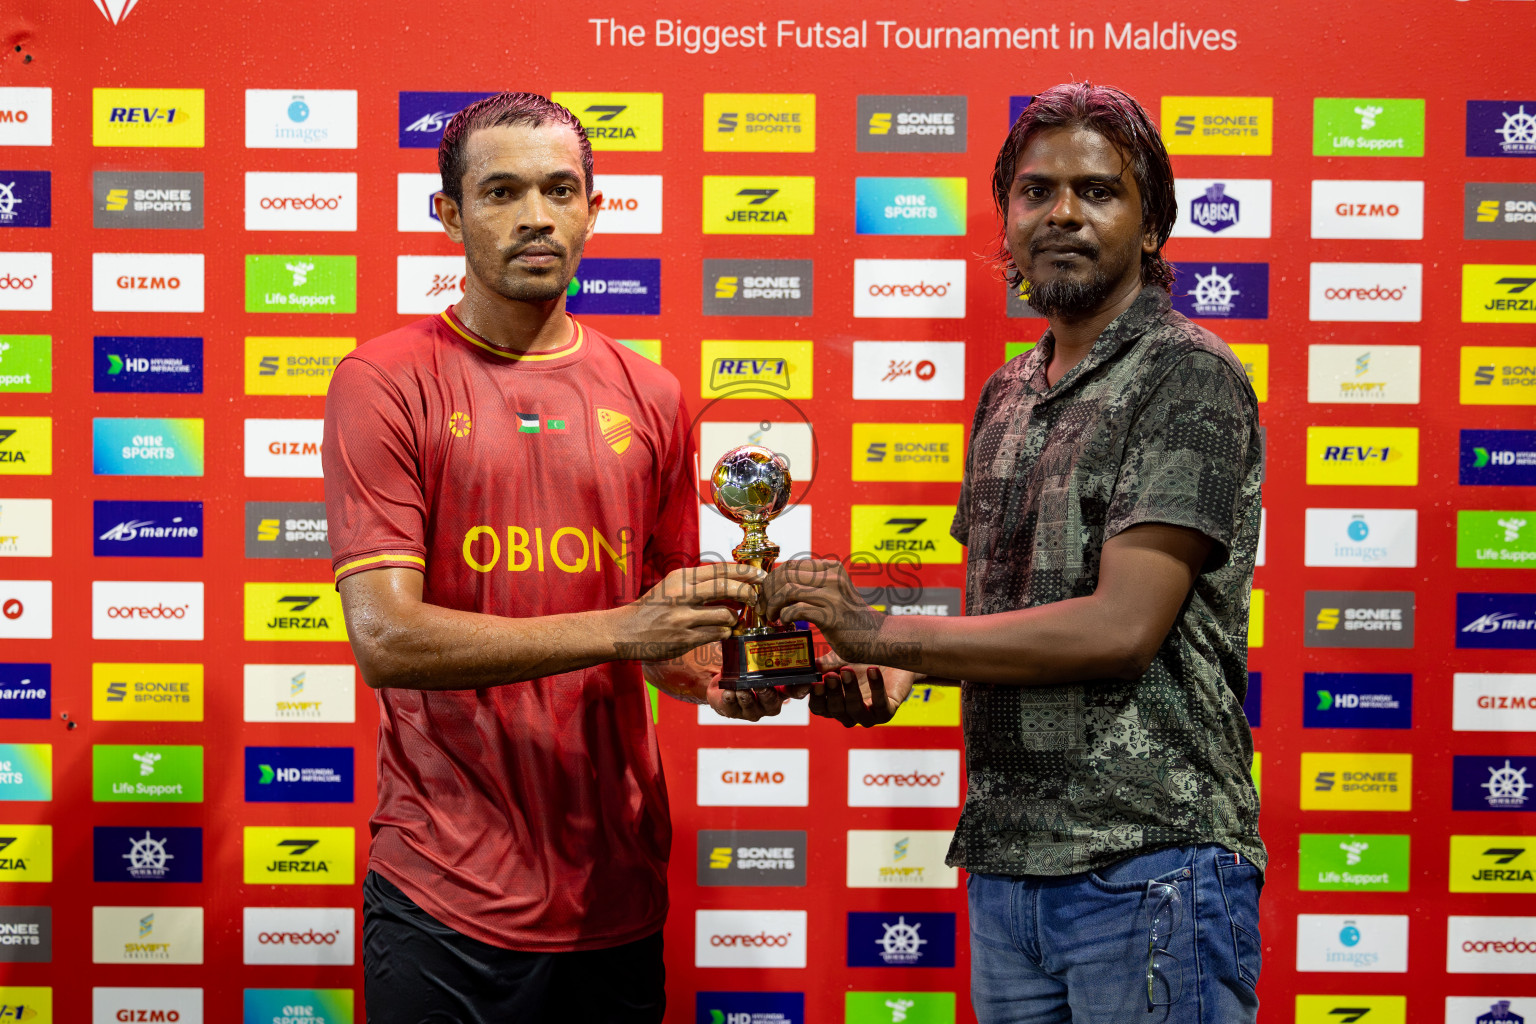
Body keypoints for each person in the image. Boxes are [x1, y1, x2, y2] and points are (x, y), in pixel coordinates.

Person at [765, 82, 1265, 1023]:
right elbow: (1004, 618)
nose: (1063, 213)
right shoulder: (1006, 391)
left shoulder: (1187, 374)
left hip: (1149, 867)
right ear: (1006, 217)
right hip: (1007, 870)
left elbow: (1121, 629)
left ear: (1152, 224)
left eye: (1098, 192)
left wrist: (886, 634)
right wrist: (890, 676)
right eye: (1036, 192)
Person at [322, 92, 788, 1024]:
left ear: (593, 207)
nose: (535, 215)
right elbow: (387, 640)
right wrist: (629, 628)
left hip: (614, 890)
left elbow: (667, 636)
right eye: (500, 191)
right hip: (445, 888)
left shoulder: (650, 394)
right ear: (448, 214)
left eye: (558, 189)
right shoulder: (382, 382)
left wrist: (723, 680)